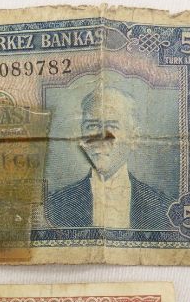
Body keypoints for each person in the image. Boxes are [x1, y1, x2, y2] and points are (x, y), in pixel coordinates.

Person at [46, 86, 171, 229]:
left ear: (134, 138)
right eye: (91, 126)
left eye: (112, 126)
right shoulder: (52, 205)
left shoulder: (165, 208)